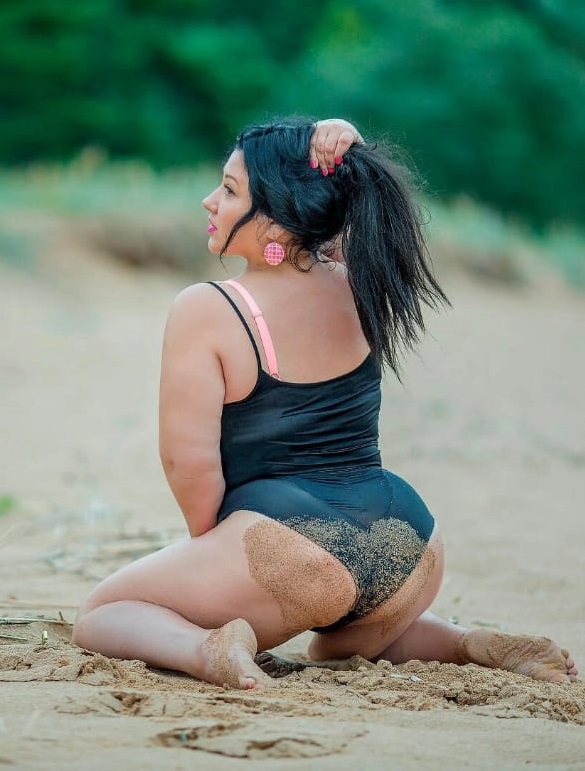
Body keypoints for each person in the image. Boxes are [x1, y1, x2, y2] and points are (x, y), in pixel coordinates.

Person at [72, 117, 578, 689]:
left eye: (231, 190)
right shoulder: (362, 284)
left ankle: (205, 649)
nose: (210, 201)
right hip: (410, 542)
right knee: (335, 644)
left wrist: (215, 550)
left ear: (277, 219)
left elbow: (186, 461)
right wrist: (345, 144)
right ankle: (465, 642)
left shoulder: (209, 307)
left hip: (287, 546)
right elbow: (358, 213)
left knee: (104, 614)